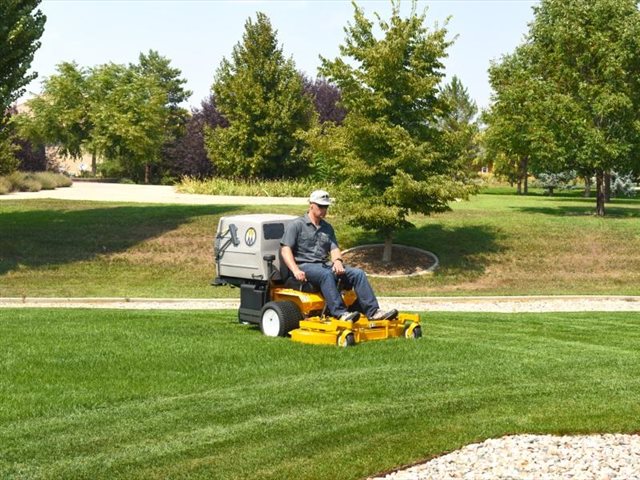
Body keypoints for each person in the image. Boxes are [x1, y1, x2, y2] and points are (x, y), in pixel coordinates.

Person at [280, 189, 398, 322]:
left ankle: (373, 312)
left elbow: (334, 248)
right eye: (321, 206)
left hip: (323, 265)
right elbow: (285, 250)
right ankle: (341, 313)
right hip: (305, 266)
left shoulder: (327, 228)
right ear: (311, 205)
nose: (324, 209)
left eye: (326, 206)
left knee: (357, 273)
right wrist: (295, 270)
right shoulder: (297, 225)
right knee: (326, 274)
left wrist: (337, 261)